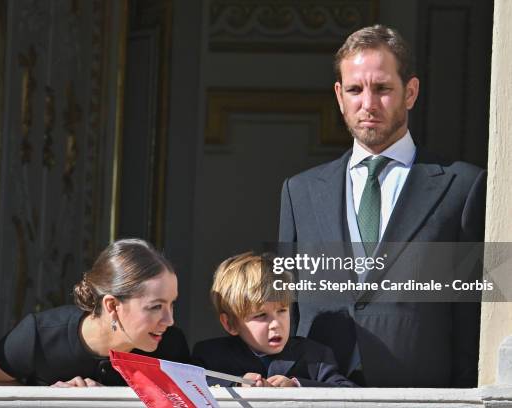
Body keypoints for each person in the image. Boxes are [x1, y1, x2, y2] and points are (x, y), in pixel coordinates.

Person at [278, 25, 485, 387]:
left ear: (411, 92)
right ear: (339, 96)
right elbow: (286, 306)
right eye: (355, 89)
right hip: (321, 393)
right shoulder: (300, 192)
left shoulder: (464, 187)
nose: (368, 104)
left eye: (383, 88)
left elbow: (474, 315)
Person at [0, 238, 190, 386]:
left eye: (172, 305)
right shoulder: (40, 334)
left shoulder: (171, 348)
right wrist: (46, 399)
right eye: (156, 307)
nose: (169, 320)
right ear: (112, 306)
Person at [192, 252, 355, 387]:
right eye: (261, 315)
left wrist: (297, 386)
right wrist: (238, 384)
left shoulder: (315, 356)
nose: (276, 324)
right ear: (230, 324)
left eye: (282, 310)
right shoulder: (210, 355)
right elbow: (189, 384)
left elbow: (352, 394)